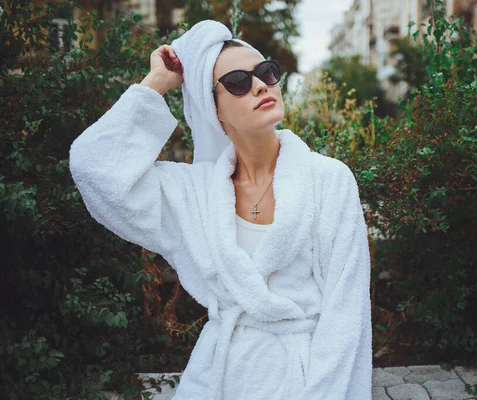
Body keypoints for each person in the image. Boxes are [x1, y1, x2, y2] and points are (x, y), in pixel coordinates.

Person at [69, 20, 372, 400]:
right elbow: (94, 168)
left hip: (303, 377)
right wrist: (157, 82)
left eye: (267, 73)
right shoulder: (195, 194)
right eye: (238, 82)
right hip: (217, 378)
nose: (261, 85)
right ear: (214, 110)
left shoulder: (329, 180)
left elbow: (346, 315)